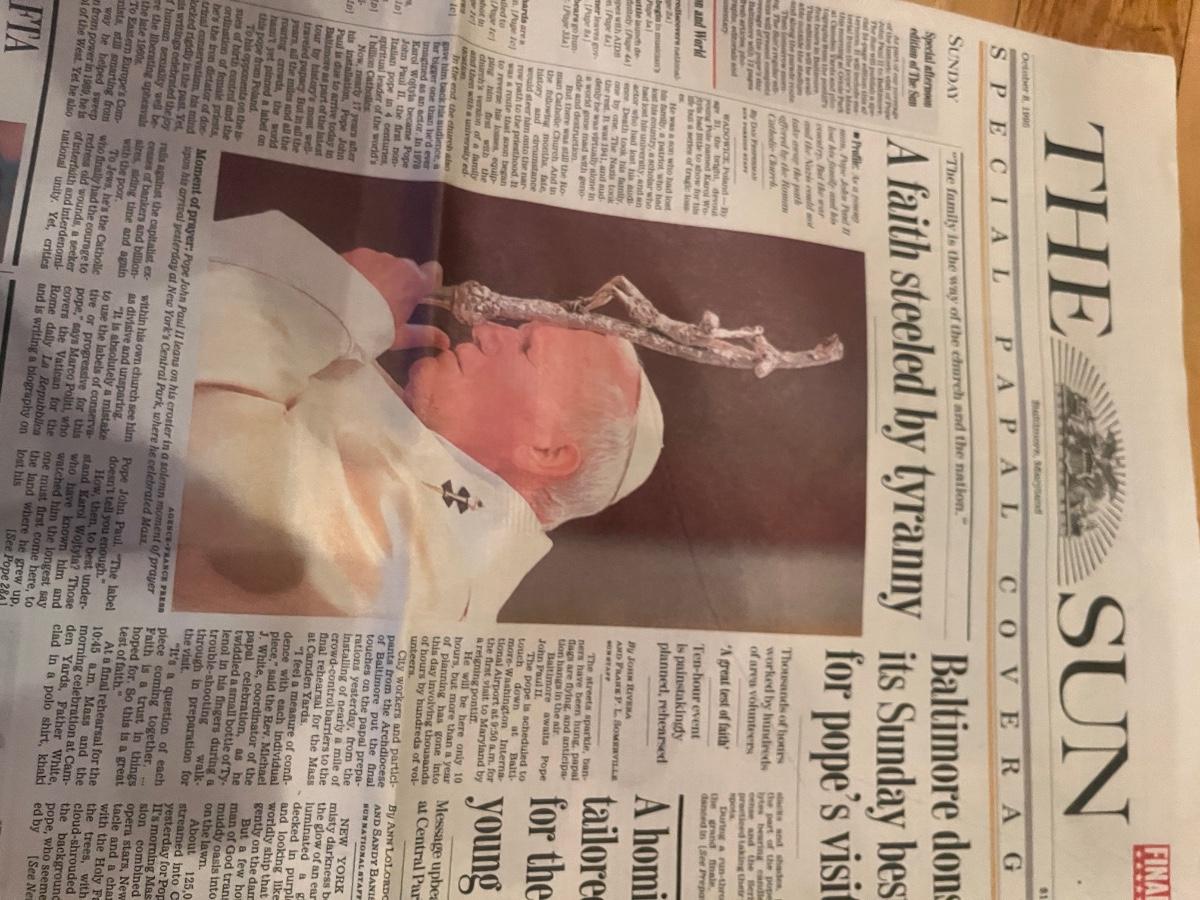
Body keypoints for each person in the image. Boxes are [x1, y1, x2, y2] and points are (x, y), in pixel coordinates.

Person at [173, 211, 664, 621]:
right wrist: (341, 353)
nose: (486, 329)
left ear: (546, 451)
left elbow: (177, 451)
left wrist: (325, 304)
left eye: (526, 348)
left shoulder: (408, 572)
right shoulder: (438, 540)